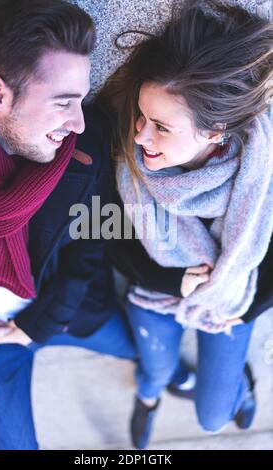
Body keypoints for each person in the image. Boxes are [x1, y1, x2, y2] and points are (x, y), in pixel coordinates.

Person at [100, 0, 273, 449]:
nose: (140, 136)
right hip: (157, 287)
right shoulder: (123, 147)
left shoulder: (264, 167)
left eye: (161, 127)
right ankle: (150, 398)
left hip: (234, 299)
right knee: (154, 371)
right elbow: (103, 237)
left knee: (214, 418)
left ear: (216, 131)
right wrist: (173, 281)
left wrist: (244, 305)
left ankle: (240, 379)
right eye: (142, 115)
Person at [0, 0, 138, 450]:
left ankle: (163, 379)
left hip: (62, 310)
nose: (78, 121)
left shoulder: (89, 145)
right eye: (63, 103)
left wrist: (40, 326)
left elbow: (93, 244)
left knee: (136, 350)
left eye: (80, 101)